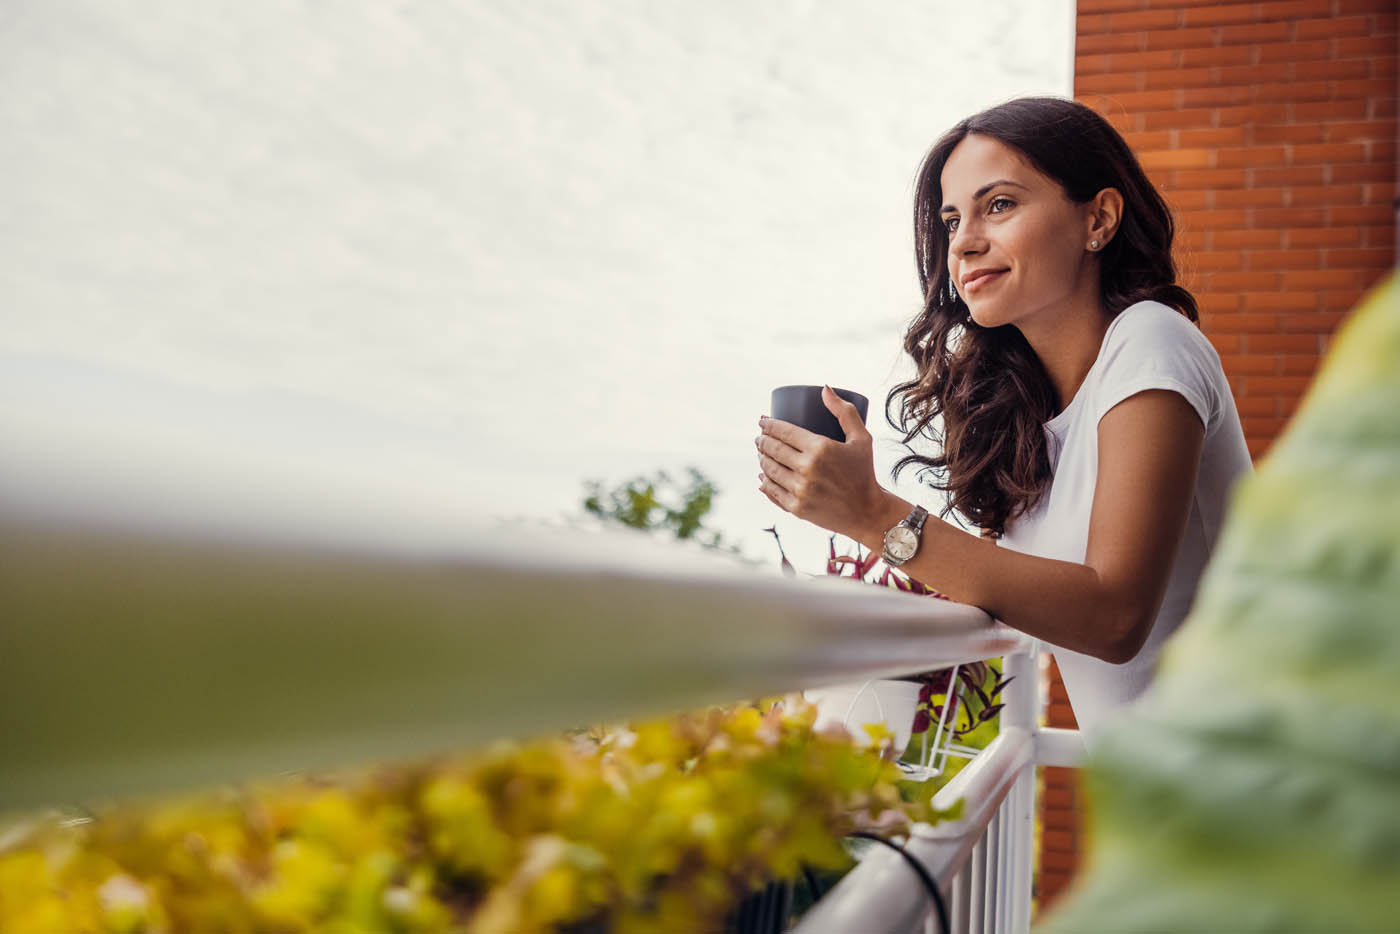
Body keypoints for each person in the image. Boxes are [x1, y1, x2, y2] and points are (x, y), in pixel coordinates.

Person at [754, 96, 1253, 744]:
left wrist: (872, 514)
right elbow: (1027, 590)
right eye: (953, 218)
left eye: (999, 205)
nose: (964, 240)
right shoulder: (1028, 414)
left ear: (1097, 218)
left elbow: (1114, 617)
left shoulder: (1153, 342)